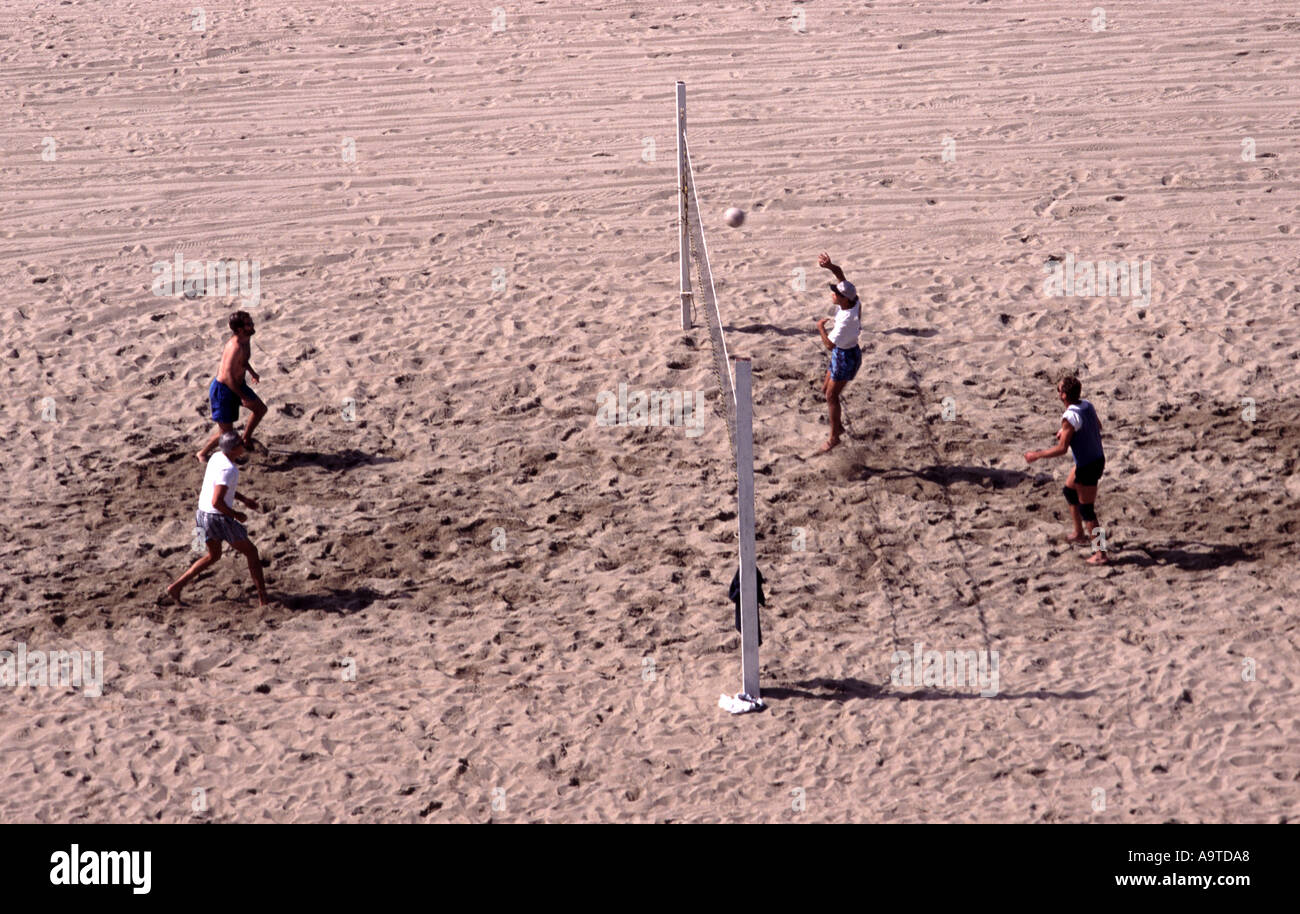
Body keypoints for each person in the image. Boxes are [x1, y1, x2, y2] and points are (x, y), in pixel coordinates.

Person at [167, 431, 271, 605]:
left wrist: (244, 499)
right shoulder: (228, 470)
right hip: (217, 517)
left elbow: (222, 490)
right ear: (233, 449)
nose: (243, 446)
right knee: (251, 552)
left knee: (213, 555)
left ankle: (176, 586)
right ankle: (263, 599)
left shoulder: (216, 457)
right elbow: (217, 501)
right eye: (239, 444)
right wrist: (237, 515)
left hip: (202, 514)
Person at [1025, 374, 1108, 564]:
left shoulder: (1069, 417)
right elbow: (1098, 426)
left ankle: (1101, 553)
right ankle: (1079, 534)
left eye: (1058, 390)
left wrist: (1036, 455)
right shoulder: (1087, 405)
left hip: (1088, 465)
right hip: (1093, 459)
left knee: (1088, 511)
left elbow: (1062, 449)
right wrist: (1067, 432)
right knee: (1069, 491)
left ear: (1063, 395)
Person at [197, 311, 267, 463]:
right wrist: (243, 397)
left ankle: (246, 438)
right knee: (226, 433)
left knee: (260, 409)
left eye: (251, 322)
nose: (252, 325)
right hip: (223, 389)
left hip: (238, 384)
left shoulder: (246, 339)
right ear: (240, 329)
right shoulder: (234, 346)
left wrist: (252, 372)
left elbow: (242, 361)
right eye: (249, 324)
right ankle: (202, 453)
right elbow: (227, 376)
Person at [814, 251, 862, 452]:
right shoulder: (853, 301)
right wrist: (830, 266)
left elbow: (830, 345)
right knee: (826, 391)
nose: (832, 293)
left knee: (831, 397)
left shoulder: (844, 322)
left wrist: (821, 329)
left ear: (843, 299)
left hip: (846, 356)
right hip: (843, 352)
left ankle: (835, 437)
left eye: (835, 293)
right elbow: (841, 276)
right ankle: (839, 426)